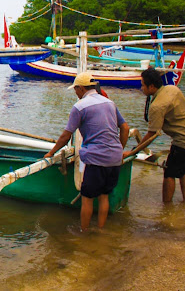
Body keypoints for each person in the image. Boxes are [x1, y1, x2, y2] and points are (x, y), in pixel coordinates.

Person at [44, 72, 130, 231]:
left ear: (81, 88)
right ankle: (101, 229)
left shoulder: (79, 106)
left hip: (96, 159)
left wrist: (51, 153)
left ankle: (84, 232)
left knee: (87, 198)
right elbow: (125, 128)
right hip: (114, 159)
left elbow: (66, 135)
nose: (75, 93)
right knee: (104, 196)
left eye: (75, 90)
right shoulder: (109, 102)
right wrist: (120, 150)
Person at [134, 67, 185, 204]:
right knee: (183, 171)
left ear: (151, 86)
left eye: (143, 85)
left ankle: (166, 207)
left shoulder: (157, 106)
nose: (141, 88)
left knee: (169, 173)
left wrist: (134, 151)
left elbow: (152, 134)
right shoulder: (172, 89)